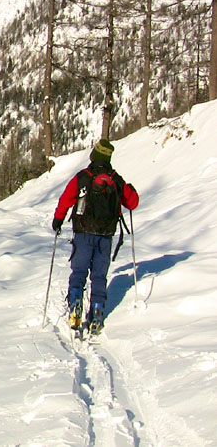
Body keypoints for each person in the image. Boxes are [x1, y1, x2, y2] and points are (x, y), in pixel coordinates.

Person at [52, 139, 139, 334]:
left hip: (83, 232)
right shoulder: (115, 179)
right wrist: (131, 190)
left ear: (94, 156)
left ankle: (75, 306)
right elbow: (132, 203)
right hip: (106, 235)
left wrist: (58, 220)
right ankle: (97, 313)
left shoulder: (83, 177)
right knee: (99, 275)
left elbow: (66, 199)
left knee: (79, 271)